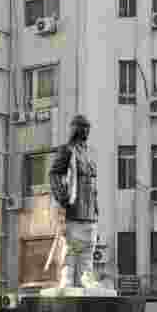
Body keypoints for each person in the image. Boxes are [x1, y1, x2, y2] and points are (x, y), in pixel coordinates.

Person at [47, 114, 100, 289]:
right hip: (73, 213)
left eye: (88, 127)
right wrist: (62, 198)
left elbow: (93, 185)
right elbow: (54, 174)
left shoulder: (90, 153)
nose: (86, 131)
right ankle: (67, 282)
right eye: (82, 127)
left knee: (87, 257)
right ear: (75, 129)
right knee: (70, 255)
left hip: (90, 215)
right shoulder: (67, 150)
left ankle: (85, 281)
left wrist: (96, 210)